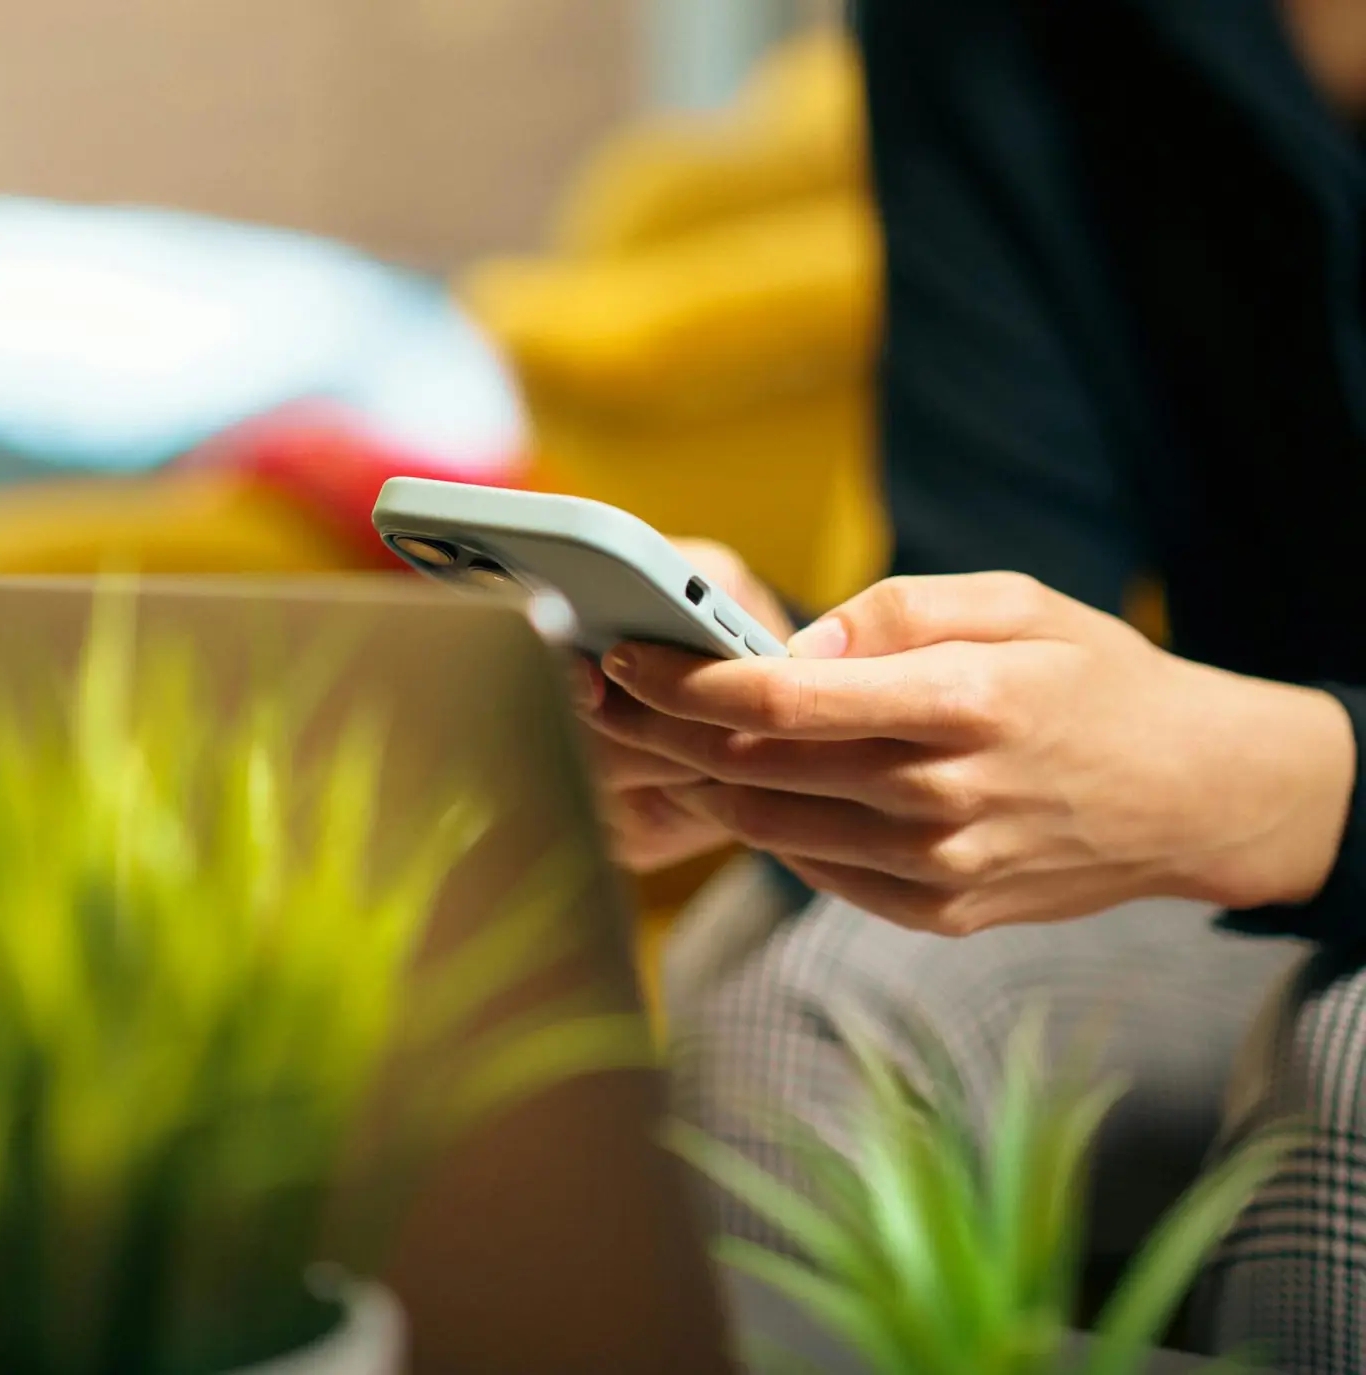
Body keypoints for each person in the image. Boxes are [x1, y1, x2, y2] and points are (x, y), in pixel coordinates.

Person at [579, 1, 1366, 1368]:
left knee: (1350, 1069)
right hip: (1270, 875)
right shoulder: (999, 30)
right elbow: (1002, 565)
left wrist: (1298, 786)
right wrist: (783, 718)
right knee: (803, 997)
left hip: (1311, 832)